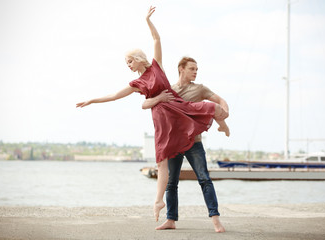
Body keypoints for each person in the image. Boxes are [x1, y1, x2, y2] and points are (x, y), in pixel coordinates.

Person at [76, 7, 230, 222]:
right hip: (162, 120)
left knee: (209, 108)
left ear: (139, 58)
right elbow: (116, 96)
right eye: (126, 63)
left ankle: (223, 125)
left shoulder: (156, 67)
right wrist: (92, 100)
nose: (128, 66)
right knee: (162, 164)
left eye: (129, 61)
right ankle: (159, 201)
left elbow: (157, 39)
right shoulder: (137, 84)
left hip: (177, 108)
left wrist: (147, 20)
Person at [142, 57, 227, 232]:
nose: (196, 71)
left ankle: (216, 220)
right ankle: (171, 220)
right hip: (173, 145)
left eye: (197, 69)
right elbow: (148, 104)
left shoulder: (200, 89)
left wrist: (224, 115)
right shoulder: (169, 90)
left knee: (204, 179)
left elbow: (220, 100)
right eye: (192, 68)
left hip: (194, 143)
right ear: (181, 69)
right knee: (171, 183)